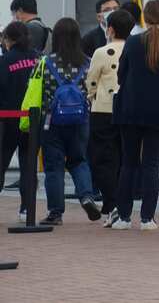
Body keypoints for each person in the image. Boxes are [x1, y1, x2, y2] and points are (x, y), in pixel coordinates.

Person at [112, 0, 159, 230]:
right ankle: (148, 217)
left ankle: (124, 217)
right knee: (151, 165)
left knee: (128, 163)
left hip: (130, 109)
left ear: (144, 18)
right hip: (158, 111)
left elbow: (121, 75)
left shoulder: (133, 42)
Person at [36, 18, 102, 225]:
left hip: (51, 120)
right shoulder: (88, 62)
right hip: (81, 120)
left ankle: (55, 213)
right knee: (79, 160)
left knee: (54, 167)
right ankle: (86, 196)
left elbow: (35, 89)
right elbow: (94, 90)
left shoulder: (45, 62)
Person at [85, 7, 134, 227]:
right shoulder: (134, 48)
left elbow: (91, 80)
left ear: (110, 29)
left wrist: (91, 96)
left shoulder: (102, 52)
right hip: (126, 109)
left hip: (102, 109)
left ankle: (112, 204)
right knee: (124, 158)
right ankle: (121, 206)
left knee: (102, 160)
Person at [0, 21, 37, 220]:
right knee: (28, 166)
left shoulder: (5, 61)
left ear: (8, 39)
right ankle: (26, 209)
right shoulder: (38, 58)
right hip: (33, 119)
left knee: (1, 162)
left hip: (7, 120)